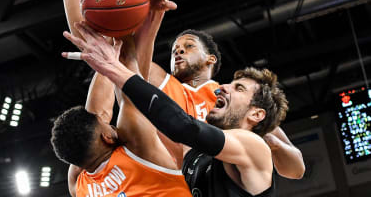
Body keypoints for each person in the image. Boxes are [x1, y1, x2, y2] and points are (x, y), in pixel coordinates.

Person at [60, 0, 305, 179]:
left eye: (188, 46)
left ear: (211, 59)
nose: (178, 51)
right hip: (162, 176)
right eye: (176, 47)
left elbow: (296, 170)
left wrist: (265, 136)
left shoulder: (232, 102)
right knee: (104, 80)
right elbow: (116, 50)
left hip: (207, 183)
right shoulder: (164, 84)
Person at [62, 22, 289, 197]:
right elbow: (122, 106)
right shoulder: (193, 155)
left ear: (256, 114)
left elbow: (182, 126)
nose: (223, 88)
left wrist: (113, 67)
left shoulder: (254, 147)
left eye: (238, 88)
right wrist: (143, 15)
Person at [51, 37, 192, 197]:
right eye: (107, 125)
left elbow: (97, 117)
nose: (111, 125)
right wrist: (116, 34)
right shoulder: (136, 147)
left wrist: (105, 57)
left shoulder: (78, 186)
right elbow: (129, 71)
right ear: (107, 138)